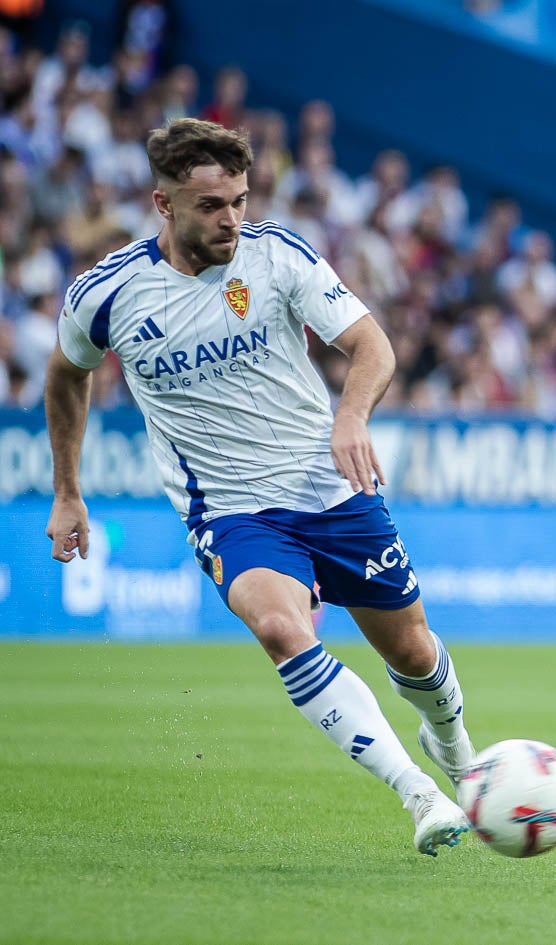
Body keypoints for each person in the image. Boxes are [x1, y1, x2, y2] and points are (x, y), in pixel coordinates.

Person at [43, 118, 477, 857]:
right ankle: (419, 793)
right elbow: (66, 375)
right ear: (163, 204)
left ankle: (456, 748)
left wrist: (350, 415)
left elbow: (372, 344)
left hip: (332, 487)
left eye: (239, 200)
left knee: (411, 652)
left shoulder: (277, 255)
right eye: (211, 205)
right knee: (283, 629)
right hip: (232, 509)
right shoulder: (107, 294)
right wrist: (67, 489)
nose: (230, 219)